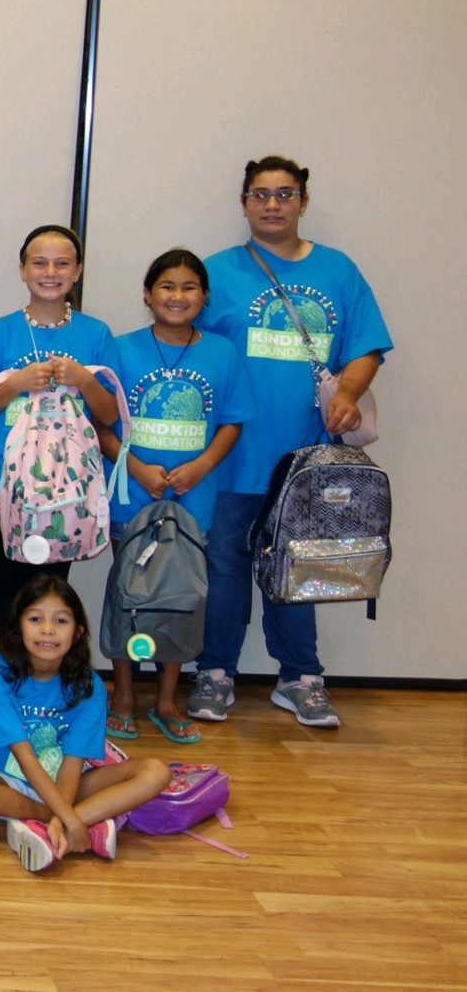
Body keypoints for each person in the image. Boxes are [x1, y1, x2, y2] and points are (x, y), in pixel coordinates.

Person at [188, 156, 391, 729]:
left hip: (308, 458)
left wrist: (349, 392)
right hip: (231, 456)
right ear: (244, 203)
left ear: (303, 201)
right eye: (259, 194)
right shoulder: (216, 272)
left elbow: (367, 347)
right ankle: (216, 673)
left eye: (284, 193)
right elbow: (186, 343)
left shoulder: (338, 271)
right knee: (225, 566)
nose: (271, 204)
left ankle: (301, 677)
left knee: (301, 566)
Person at [94, 250, 252, 744]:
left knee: (183, 596)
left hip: (194, 497)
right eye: (166, 286)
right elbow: (101, 422)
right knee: (130, 593)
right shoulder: (121, 349)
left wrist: (202, 466)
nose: (177, 296)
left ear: (204, 297)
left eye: (188, 287)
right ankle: (123, 692)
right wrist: (136, 467)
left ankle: (166, 697)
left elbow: (231, 422)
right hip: (131, 492)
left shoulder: (223, 353)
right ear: (147, 294)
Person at [0, 576, 168, 872]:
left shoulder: (89, 686)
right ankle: (69, 821)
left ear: (78, 633)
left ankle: (49, 825)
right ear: (19, 625)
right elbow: (24, 756)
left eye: (61, 621)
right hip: (10, 783)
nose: (48, 630)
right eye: (36, 619)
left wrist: (62, 815)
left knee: (156, 771)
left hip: (69, 785)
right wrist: (67, 819)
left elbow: (72, 763)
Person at [0, 225, 119, 643]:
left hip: (70, 489)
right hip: (4, 484)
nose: (50, 272)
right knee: (8, 588)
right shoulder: (0, 332)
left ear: (78, 271)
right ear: (22, 270)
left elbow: (109, 415)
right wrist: (14, 384)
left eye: (62, 263)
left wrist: (85, 381)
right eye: (39, 262)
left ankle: (47, 686)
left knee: (53, 593)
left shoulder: (95, 334)